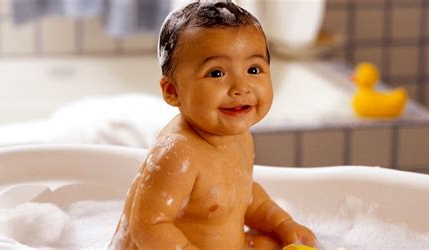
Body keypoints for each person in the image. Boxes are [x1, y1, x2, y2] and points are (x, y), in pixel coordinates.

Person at [109, 1, 316, 249]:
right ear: (172, 91)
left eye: (253, 69)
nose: (241, 87)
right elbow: (148, 226)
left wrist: (283, 223)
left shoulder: (238, 137)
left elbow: (243, 196)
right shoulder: (178, 154)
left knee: (274, 243)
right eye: (216, 73)